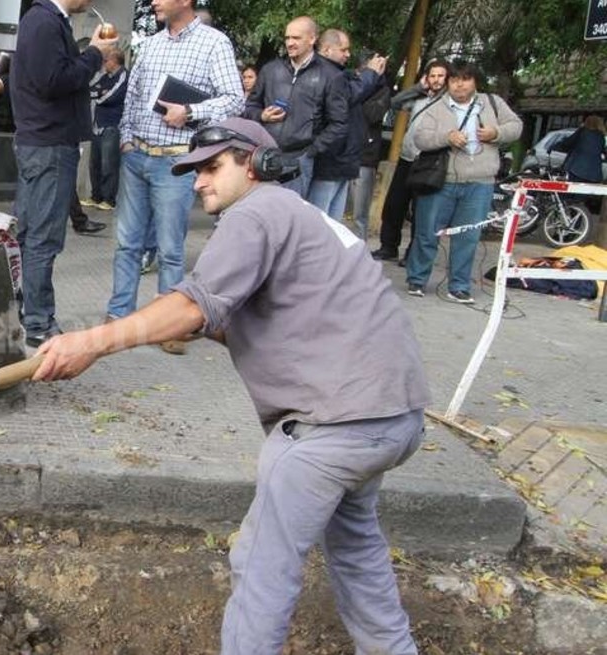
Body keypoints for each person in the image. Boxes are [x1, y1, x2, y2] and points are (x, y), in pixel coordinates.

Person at [33, 117, 431, 655]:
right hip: (392, 418)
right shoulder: (303, 214)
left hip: (328, 430)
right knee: (356, 550)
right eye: (195, 171)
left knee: (261, 567)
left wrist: (92, 343)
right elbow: (251, 316)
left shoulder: (257, 213)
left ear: (256, 163)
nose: (198, 182)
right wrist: (187, 323)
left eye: (212, 167)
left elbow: (195, 305)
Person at [106, 0, 243, 345]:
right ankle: (119, 315)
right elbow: (133, 97)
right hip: (137, 156)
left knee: (170, 250)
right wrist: (126, 140)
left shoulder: (214, 43)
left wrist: (191, 111)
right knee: (127, 245)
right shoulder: (149, 44)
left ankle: (170, 326)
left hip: (175, 162)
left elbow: (234, 100)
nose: (153, 2)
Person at [10, 0, 117, 348]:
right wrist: (95, 55)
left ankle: (29, 312)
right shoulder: (44, 22)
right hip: (49, 145)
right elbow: (53, 81)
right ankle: (39, 323)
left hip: (41, 142)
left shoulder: (44, 20)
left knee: (30, 234)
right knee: (42, 237)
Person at [406, 61, 520, 304]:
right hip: (442, 181)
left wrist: (495, 133)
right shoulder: (437, 106)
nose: (459, 84)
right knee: (427, 232)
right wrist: (446, 138)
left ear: (474, 82)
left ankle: (458, 286)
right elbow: (420, 137)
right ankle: (416, 279)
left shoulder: (492, 103)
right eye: (454, 80)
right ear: (448, 83)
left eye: (465, 79)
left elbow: (516, 126)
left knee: (468, 236)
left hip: (480, 182)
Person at [243, 16, 348, 197]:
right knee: (259, 212)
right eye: (287, 38)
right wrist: (261, 115)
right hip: (264, 154)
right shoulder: (271, 70)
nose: (290, 43)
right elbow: (249, 106)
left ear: (312, 39)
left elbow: (339, 123)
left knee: (287, 217)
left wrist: (311, 151)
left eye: (296, 38)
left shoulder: (331, 75)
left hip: (299, 159)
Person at [371, 60, 449, 262]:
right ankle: (388, 246)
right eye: (432, 76)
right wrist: (418, 87)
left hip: (428, 162)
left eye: (441, 76)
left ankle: (413, 253)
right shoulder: (419, 98)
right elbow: (395, 102)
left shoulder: (449, 102)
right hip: (406, 159)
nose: (436, 80)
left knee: (420, 211)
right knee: (394, 205)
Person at [307, 30, 386, 220]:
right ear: (326, 49)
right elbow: (351, 94)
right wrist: (370, 73)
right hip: (330, 158)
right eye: (344, 50)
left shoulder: (339, 73)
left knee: (334, 224)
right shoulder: (327, 74)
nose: (348, 55)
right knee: (319, 221)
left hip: (342, 158)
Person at [349, 53, 392, 240]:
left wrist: (367, 86)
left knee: (360, 213)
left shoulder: (382, 90)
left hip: (365, 157)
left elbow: (371, 114)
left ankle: (358, 251)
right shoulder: (348, 83)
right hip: (342, 154)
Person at [83, 50, 128, 210]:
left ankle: (109, 200)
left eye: (106, 60)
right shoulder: (105, 77)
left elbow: (111, 97)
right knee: (94, 163)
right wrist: (99, 93)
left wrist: (100, 95)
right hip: (98, 125)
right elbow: (90, 91)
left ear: (115, 61)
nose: (103, 64)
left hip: (112, 125)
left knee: (109, 164)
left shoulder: (123, 76)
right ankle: (96, 196)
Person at [551, 115, 605, 184]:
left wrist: (554, 146)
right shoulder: (601, 137)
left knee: (572, 190)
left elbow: (567, 143)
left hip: (577, 170)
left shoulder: (582, 132)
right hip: (595, 174)